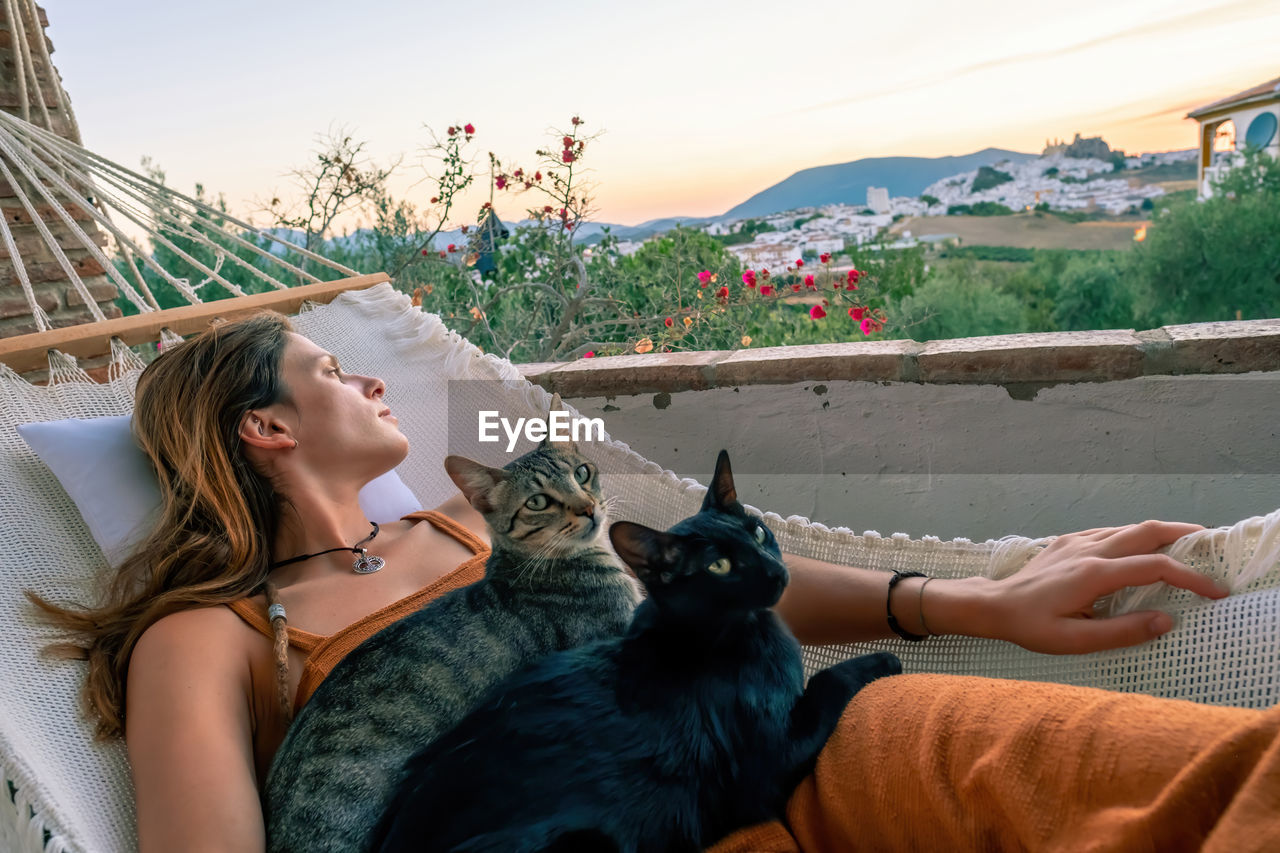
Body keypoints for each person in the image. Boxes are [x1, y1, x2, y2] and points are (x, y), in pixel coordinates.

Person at [36, 312, 1275, 852]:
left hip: (778, 743)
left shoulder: (484, 503)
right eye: (329, 367)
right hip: (575, 837)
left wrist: (957, 596)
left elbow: (686, 578)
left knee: (1204, 771)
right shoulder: (209, 633)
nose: (372, 382)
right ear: (264, 429)